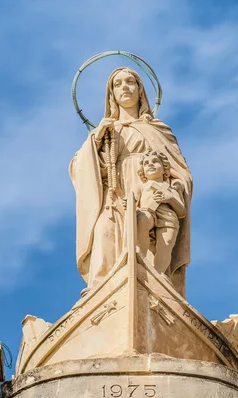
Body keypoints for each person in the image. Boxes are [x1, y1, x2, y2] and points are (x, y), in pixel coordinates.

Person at [69, 67, 192, 296]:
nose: (124, 87)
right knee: (105, 231)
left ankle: (154, 282)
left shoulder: (157, 131)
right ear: (111, 95)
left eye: (130, 82)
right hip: (114, 198)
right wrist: (95, 141)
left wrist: (170, 192)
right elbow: (78, 168)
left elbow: (181, 173)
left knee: (150, 236)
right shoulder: (104, 132)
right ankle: (101, 291)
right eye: (117, 84)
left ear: (140, 90)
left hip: (150, 199)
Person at [135, 149, 186, 275]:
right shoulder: (142, 186)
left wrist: (170, 198)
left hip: (169, 218)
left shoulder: (171, 188)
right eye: (146, 163)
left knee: (166, 244)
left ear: (164, 169)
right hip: (148, 212)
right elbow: (133, 200)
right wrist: (128, 203)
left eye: (155, 162)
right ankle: (140, 258)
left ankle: (158, 274)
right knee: (141, 220)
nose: (150, 164)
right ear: (143, 172)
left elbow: (181, 211)